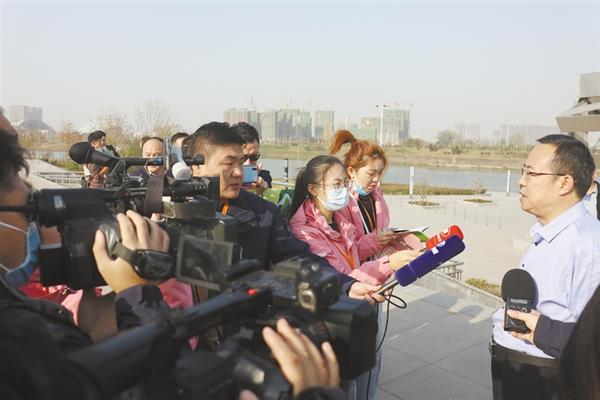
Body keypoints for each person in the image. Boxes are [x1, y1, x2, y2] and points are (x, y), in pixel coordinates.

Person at [186, 122, 386, 304]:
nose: (239, 172)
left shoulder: (264, 214)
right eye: (229, 164)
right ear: (196, 166)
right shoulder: (174, 211)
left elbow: (298, 259)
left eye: (241, 162)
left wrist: (346, 285)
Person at [288, 155, 420, 399]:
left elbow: (353, 254)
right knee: (342, 384)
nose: (343, 190)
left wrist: (379, 245)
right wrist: (388, 265)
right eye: (336, 184)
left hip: (354, 305)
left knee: (362, 371)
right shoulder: (304, 231)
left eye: (344, 184)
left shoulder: (339, 218)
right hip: (331, 317)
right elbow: (340, 278)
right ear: (314, 189)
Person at [489, 134, 600, 400]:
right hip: (517, 371)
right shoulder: (548, 231)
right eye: (522, 171)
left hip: (545, 379)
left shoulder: (588, 245)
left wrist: (541, 330)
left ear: (564, 183)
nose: (521, 181)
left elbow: (593, 340)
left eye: (531, 173)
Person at [233, 122, 272, 194]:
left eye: (254, 157)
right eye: (243, 158)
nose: (248, 163)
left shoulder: (264, 177)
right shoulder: (222, 180)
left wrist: (261, 189)